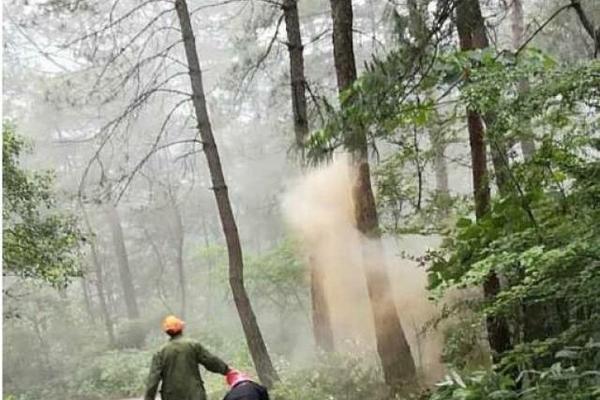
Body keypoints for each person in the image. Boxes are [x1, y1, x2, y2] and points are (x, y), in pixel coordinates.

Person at [144, 315, 231, 400]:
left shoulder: (160, 352)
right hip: (195, 395)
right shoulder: (193, 345)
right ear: (181, 328)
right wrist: (227, 370)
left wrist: (149, 398)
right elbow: (211, 361)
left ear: (167, 332)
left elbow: (153, 379)